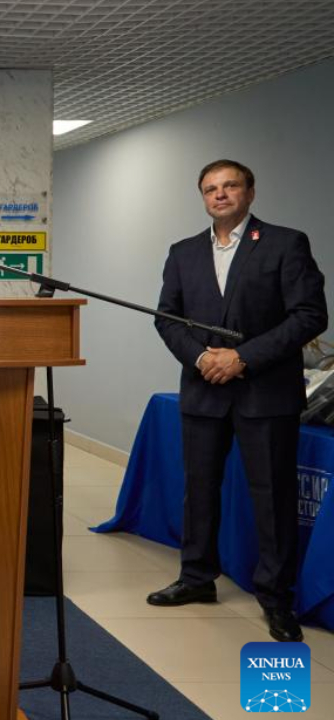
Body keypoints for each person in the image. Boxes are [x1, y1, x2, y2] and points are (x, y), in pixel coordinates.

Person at [148, 159, 327, 642]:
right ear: (203, 197)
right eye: (211, 189)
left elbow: (309, 315)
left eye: (230, 186)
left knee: (272, 496)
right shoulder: (183, 252)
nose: (220, 194)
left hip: (265, 393)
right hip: (203, 389)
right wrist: (201, 358)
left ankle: (276, 597)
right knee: (199, 489)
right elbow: (167, 317)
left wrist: (242, 357)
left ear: (249, 192)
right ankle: (196, 577)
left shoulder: (286, 244)